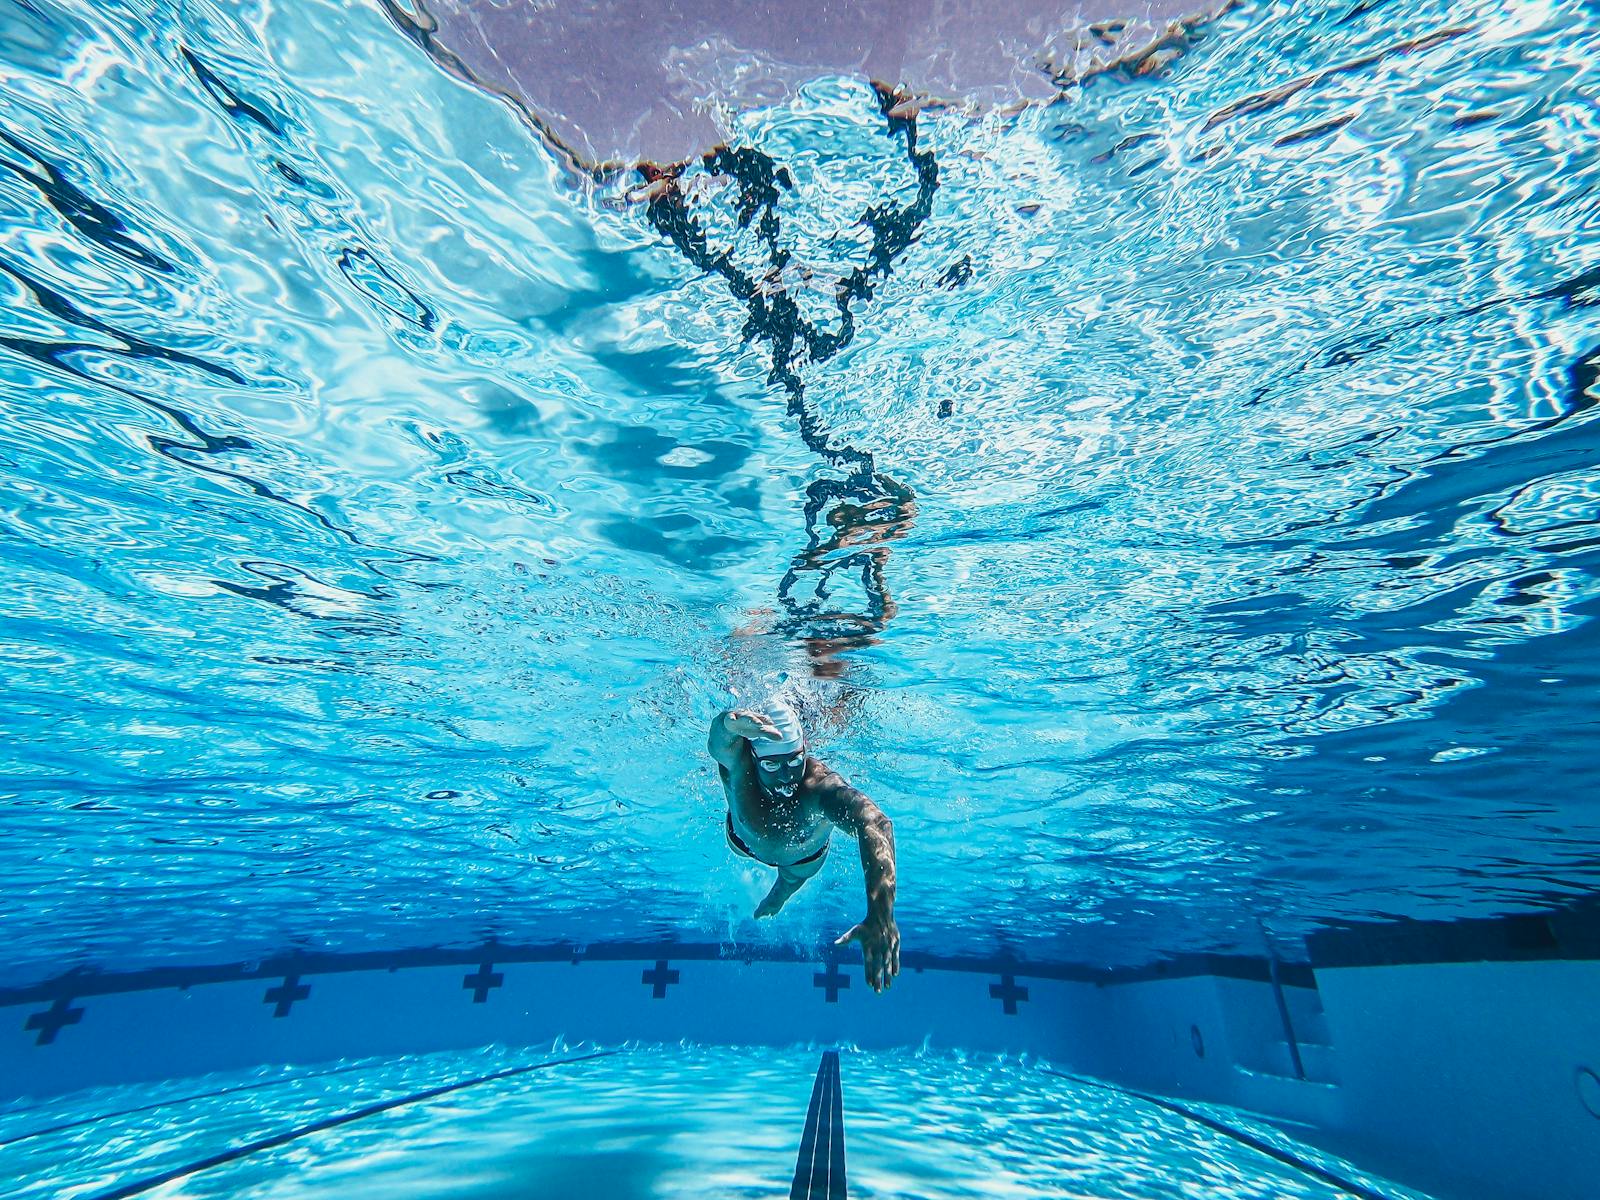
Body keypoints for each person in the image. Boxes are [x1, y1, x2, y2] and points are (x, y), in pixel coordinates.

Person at [707, 701, 900, 992]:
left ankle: (779, 896)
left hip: (800, 862)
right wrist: (727, 724)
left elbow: (876, 825)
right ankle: (778, 895)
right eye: (772, 765)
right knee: (786, 878)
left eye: (795, 760)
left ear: (806, 750)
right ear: (755, 756)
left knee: (791, 880)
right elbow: (718, 743)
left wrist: (881, 913)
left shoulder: (820, 788)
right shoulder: (740, 763)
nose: (786, 775)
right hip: (742, 842)